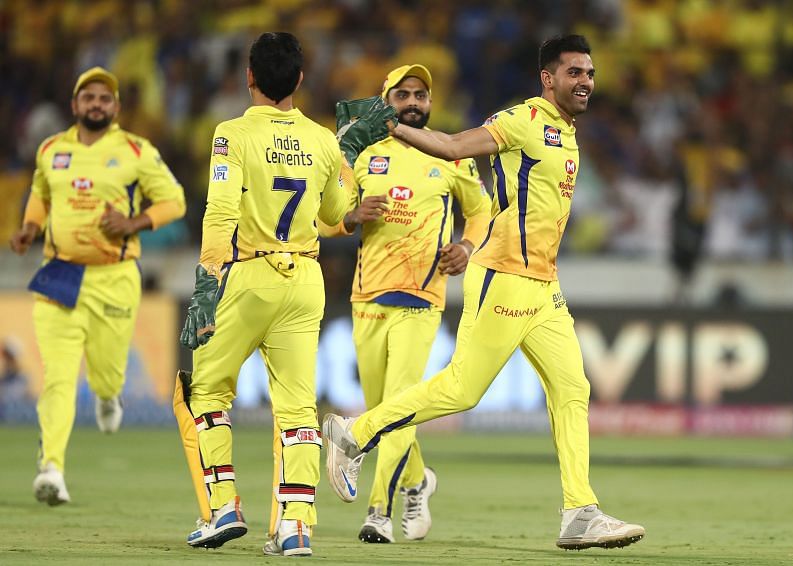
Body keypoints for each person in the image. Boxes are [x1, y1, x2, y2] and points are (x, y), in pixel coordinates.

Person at [323, 35, 646, 551]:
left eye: (590, 73)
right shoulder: (525, 119)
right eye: (574, 73)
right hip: (504, 276)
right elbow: (453, 147)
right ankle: (354, 433)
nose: (585, 81)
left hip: (544, 285)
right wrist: (393, 126)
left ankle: (579, 512)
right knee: (461, 390)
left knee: (573, 389)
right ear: (548, 78)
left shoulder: (567, 129)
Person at [173, 32, 394, 556]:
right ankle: (295, 526)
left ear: (248, 77)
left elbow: (220, 212)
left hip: (248, 276)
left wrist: (206, 282)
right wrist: (348, 154)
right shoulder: (321, 140)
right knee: (296, 407)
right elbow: (337, 211)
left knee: (206, 392)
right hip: (305, 279)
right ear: (298, 79)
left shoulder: (230, 134)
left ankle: (224, 505)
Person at [320, 64, 491, 544]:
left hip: (422, 296)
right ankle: (418, 481)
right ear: (385, 101)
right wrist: (352, 214)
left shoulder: (450, 153)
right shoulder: (363, 152)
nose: (413, 101)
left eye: (420, 94)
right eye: (402, 95)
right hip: (367, 296)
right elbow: (327, 216)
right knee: (385, 408)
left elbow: (482, 211)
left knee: (396, 404)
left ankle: (379, 512)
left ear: (430, 103)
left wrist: (467, 247)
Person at [8, 66, 186, 506]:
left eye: (105, 98)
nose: (96, 104)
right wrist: (30, 226)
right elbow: (39, 193)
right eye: (88, 97)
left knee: (107, 372)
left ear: (117, 107)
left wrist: (134, 221)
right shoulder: (52, 149)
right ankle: (51, 468)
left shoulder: (135, 151)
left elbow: (175, 200)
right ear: (74, 105)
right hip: (60, 274)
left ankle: (109, 396)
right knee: (58, 378)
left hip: (114, 277)